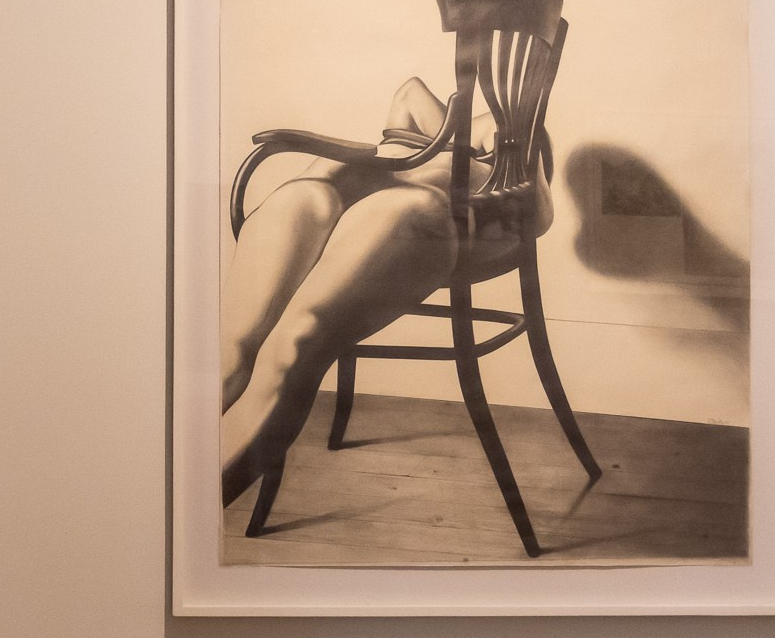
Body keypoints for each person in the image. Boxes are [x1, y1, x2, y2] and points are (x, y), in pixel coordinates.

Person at [218, 75, 550, 505]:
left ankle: (191, 509)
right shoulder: (441, 130)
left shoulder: (520, 134)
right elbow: (408, 92)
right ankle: (162, 499)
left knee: (290, 348)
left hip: (402, 212)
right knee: (230, 348)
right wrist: (450, 130)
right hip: (327, 190)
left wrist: (501, 143)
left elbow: (539, 215)